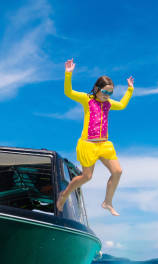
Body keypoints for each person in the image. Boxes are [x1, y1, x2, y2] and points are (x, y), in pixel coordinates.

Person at [56, 58, 134, 216]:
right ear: (97, 88)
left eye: (110, 93)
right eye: (105, 91)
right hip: (89, 145)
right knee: (87, 177)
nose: (107, 95)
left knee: (117, 171)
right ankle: (64, 194)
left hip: (104, 145)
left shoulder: (109, 104)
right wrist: (68, 74)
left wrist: (129, 90)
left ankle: (107, 202)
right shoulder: (88, 99)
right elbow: (68, 92)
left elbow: (123, 105)